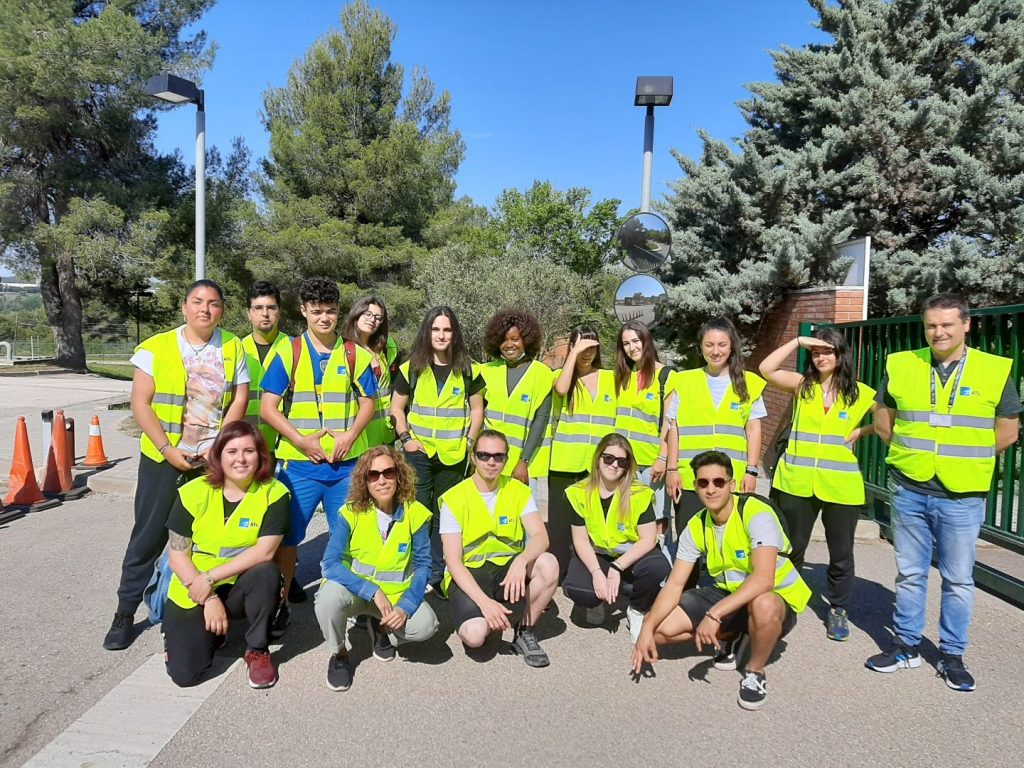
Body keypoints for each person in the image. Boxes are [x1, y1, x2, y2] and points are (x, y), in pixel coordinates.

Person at [865, 293, 1021, 691]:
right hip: (909, 487)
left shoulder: (992, 369)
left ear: (967, 325)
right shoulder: (902, 364)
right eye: (932, 325)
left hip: (962, 495)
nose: (939, 332)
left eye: (947, 324)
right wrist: (910, 456)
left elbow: (1008, 430)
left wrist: (964, 460)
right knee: (911, 573)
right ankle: (906, 646)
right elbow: (884, 419)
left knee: (958, 579)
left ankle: (952, 655)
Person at [104, 279, 250, 651]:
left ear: (222, 310)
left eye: (214, 303)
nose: (205, 309)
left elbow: (239, 399)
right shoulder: (155, 347)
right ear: (184, 307)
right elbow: (141, 403)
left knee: (208, 538)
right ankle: (125, 612)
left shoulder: (233, 346)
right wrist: (167, 448)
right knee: (149, 536)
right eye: (198, 302)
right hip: (164, 458)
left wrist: (220, 445)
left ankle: (203, 610)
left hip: (210, 461)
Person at [632, 451, 810, 711]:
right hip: (728, 595)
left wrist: (714, 614)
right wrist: (646, 629)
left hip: (775, 599)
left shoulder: (756, 513)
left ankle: (754, 672)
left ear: (732, 485)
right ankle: (732, 635)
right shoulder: (696, 525)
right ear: (696, 486)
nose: (711, 489)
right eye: (703, 483)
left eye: (719, 482)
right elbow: (675, 584)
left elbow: (763, 579)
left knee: (763, 604)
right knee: (659, 630)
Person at [258, 276, 378, 627]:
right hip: (301, 466)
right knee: (288, 539)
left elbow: (368, 402)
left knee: (353, 538)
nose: (324, 318)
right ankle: (281, 606)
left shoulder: (354, 352)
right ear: (303, 311)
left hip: (346, 466)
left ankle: (355, 607)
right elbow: (268, 408)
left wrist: (352, 434)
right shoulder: (288, 351)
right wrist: (300, 440)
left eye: (330, 311)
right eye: (316, 312)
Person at [759, 328, 877, 641]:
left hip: (841, 485)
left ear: (841, 355)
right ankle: (786, 600)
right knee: (792, 548)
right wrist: (797, 342)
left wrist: (862, 432)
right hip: (796, 482)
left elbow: (888, 420)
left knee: (841, 554)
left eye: (828, 351)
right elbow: (766, 369)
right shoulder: (803, 386)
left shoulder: (862, 393)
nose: (821, 357)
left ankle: (838, 609)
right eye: (816, 352)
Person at [162, 422, 289, 689]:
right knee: (185, 675)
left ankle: (257, 649)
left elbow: (265, 551)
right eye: (232, 451)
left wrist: (209, 579)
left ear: (260, 456)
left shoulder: (274, 494)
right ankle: (207, 634)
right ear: (218, 455)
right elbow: (177, 555)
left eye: (249, 451)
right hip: (193, 586)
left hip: (239, 586)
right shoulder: (193, 493)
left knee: (267, 571)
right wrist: (207, 595)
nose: (241, 459)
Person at [314, 446, 438, 691]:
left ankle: (380, 627)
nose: (381, 480)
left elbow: (424, 565)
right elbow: (330, 564)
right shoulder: (351, 513)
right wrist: (370, 590)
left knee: (426, 626)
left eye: (388, 472)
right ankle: (339, 655)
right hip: (357, 592)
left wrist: (406, 606)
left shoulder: (416, 513)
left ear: (399, 475)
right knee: (327, 599)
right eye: (373, 475)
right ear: (365, 480)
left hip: (394, 596)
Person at [440, 430, 559, 667]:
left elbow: (540, 537)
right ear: (473, 458)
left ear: (506, 459)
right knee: (475, 636)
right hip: (470, 572)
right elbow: (453, 561)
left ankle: (525, 632)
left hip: (506, 568)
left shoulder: (518, 490)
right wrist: (485, 604)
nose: (491, 462)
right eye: (483, 455)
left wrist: (521, 560)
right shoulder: (454, 498)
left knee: (549, 563)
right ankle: (484, 611)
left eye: (498, 456)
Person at [390, 306, 485, 586]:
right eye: (436, 329)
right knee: (418, 510)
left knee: (445, 514)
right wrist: (406, 439)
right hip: (419, 453)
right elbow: (397, 407)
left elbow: (477, 410)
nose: (441, 335)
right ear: (427, 332)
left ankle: (439, 570)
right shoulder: (412, 368)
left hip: (454, 455)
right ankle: (417, 567)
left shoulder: (468, 369)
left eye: (446, 329)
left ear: (454, 334)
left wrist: (469, 440)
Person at [561, 433, 671, 641]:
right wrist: (596, 573)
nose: (614, 465)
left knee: (658, 569)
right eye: (608, 458)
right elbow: (581, 540)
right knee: (579, 590)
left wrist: (616, 567)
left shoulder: (640, 493)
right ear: (598, 458)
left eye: (622, 461)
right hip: (598, 554)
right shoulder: (578, 492)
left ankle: (637, 609)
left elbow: (648, 539)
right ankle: (598, 603)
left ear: (628, 466)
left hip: (631, 555)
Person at [668, 317, 767, 544]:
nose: (715, 351)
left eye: (722, 345)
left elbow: (753, 430)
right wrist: (671, 469)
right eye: (709, 345)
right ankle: (687, 581)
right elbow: (674, 429)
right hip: (691, 478)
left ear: (732, 347)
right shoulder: (683, 381)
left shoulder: (749, 383)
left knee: (731, 540)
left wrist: (752, 472)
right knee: (688, 539)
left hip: (730, 479)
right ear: (701, 348)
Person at [548, 325, 617, 577]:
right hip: (564, 462)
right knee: (560, 524)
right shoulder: (561, 375)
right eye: (581, 346)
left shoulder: (611, 378)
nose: (587, 353)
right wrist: (573, 355)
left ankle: (587, 570)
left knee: (591, 521)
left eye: (591, 346)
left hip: (598, 464)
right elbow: (561, 390)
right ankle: (557, 571)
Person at [478, 309, 553, 487]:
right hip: (489, 463)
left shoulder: (542, 374)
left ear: (526, 340)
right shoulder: (486, 371)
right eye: (504, 339)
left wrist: (523, 461)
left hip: (523, 467)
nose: (509, 344)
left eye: (515, 339)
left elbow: (540, 421)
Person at [613, 321, 675, 529]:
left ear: (646, 341)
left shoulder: (666, 376)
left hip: (652, 464)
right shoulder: (622, 376)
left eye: (636, 341)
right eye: (626, 343)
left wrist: (662, 459)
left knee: (657, 522)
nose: (632, 347)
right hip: (624, 464)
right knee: (627, 522)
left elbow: (670, 423)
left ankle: (661, 561)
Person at [341, 296, 399, 449]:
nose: (372, 320)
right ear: (356, 313)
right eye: (367, 314)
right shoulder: (342, 349)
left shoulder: (388, 349)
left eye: (378, 317)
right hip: (357, 436)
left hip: (386, 435)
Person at [241, 281, 292, 454]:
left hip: (287, 445)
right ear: (249, 313)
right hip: (245, 445)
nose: (265, 314)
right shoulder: (236, 350)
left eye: (271, 308)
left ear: (279, 312)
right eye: (258, 308)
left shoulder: (295, 348)